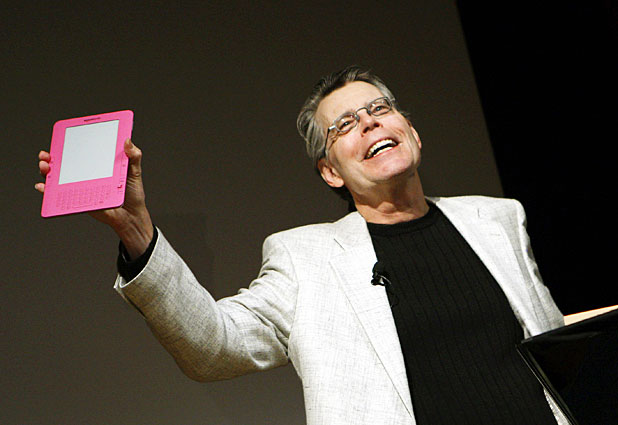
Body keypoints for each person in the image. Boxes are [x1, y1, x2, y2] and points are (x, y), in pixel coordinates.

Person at [36, 66, 568, 425]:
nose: (369, 122)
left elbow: (549, 339)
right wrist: (137, 233)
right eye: (345, 125)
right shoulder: (306, 259)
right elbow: (214, 347)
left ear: (411, 131)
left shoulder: (497, 219)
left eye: (379, 108)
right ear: (330, 172)